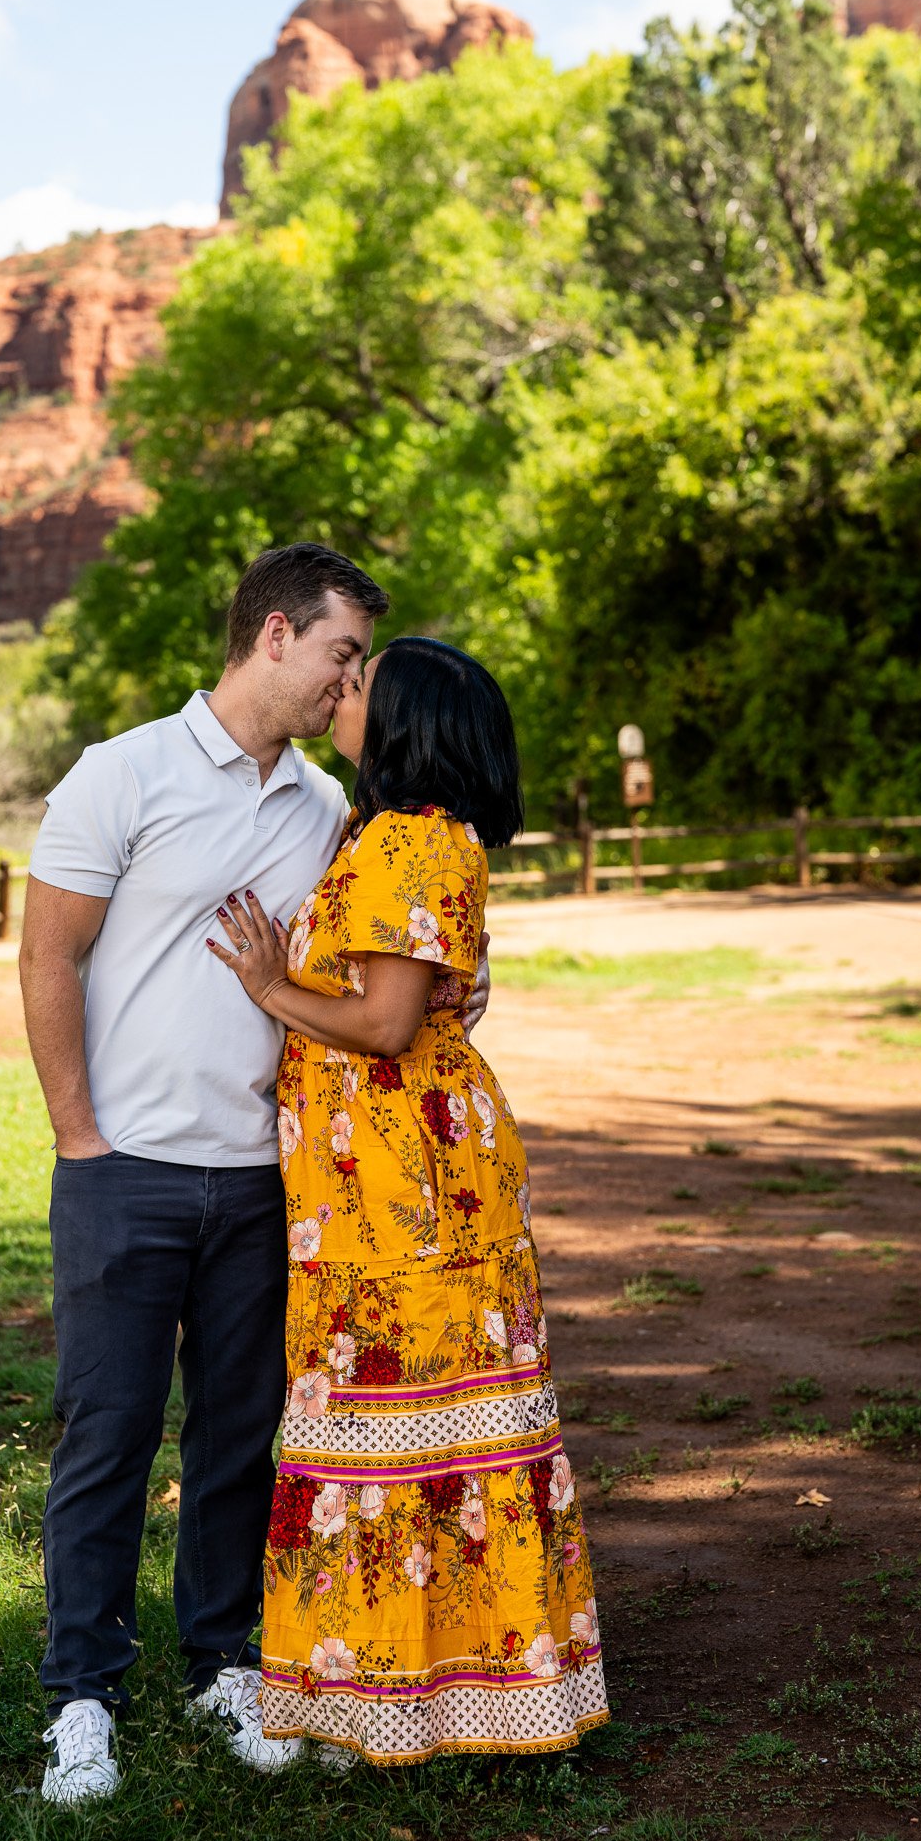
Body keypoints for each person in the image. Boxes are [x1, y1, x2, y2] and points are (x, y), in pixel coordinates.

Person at [21, 544, 489, 1804]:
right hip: (124, 1168)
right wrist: (79, 1135)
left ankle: (223, 1659)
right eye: (341, 652)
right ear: (274, 633)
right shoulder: (121, 772)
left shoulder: (334, 815)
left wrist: (461, 987)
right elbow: (47, 957)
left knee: (240, 1438)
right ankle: (81, 1695)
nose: (352, 683)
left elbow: (388, 961)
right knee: (108, 1435)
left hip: (271, 1180)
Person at [208, 637, 607, 1766]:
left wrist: (267, 986)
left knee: (391, 1428)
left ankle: (381, 1704)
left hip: (400, 1188)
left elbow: (384, 1021)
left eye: (360, 683)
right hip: (387, 1174)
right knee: (418, 1434)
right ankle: (413, 1702)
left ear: (407, 724)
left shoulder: (405, 839)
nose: (340, 691)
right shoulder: (411, 836)